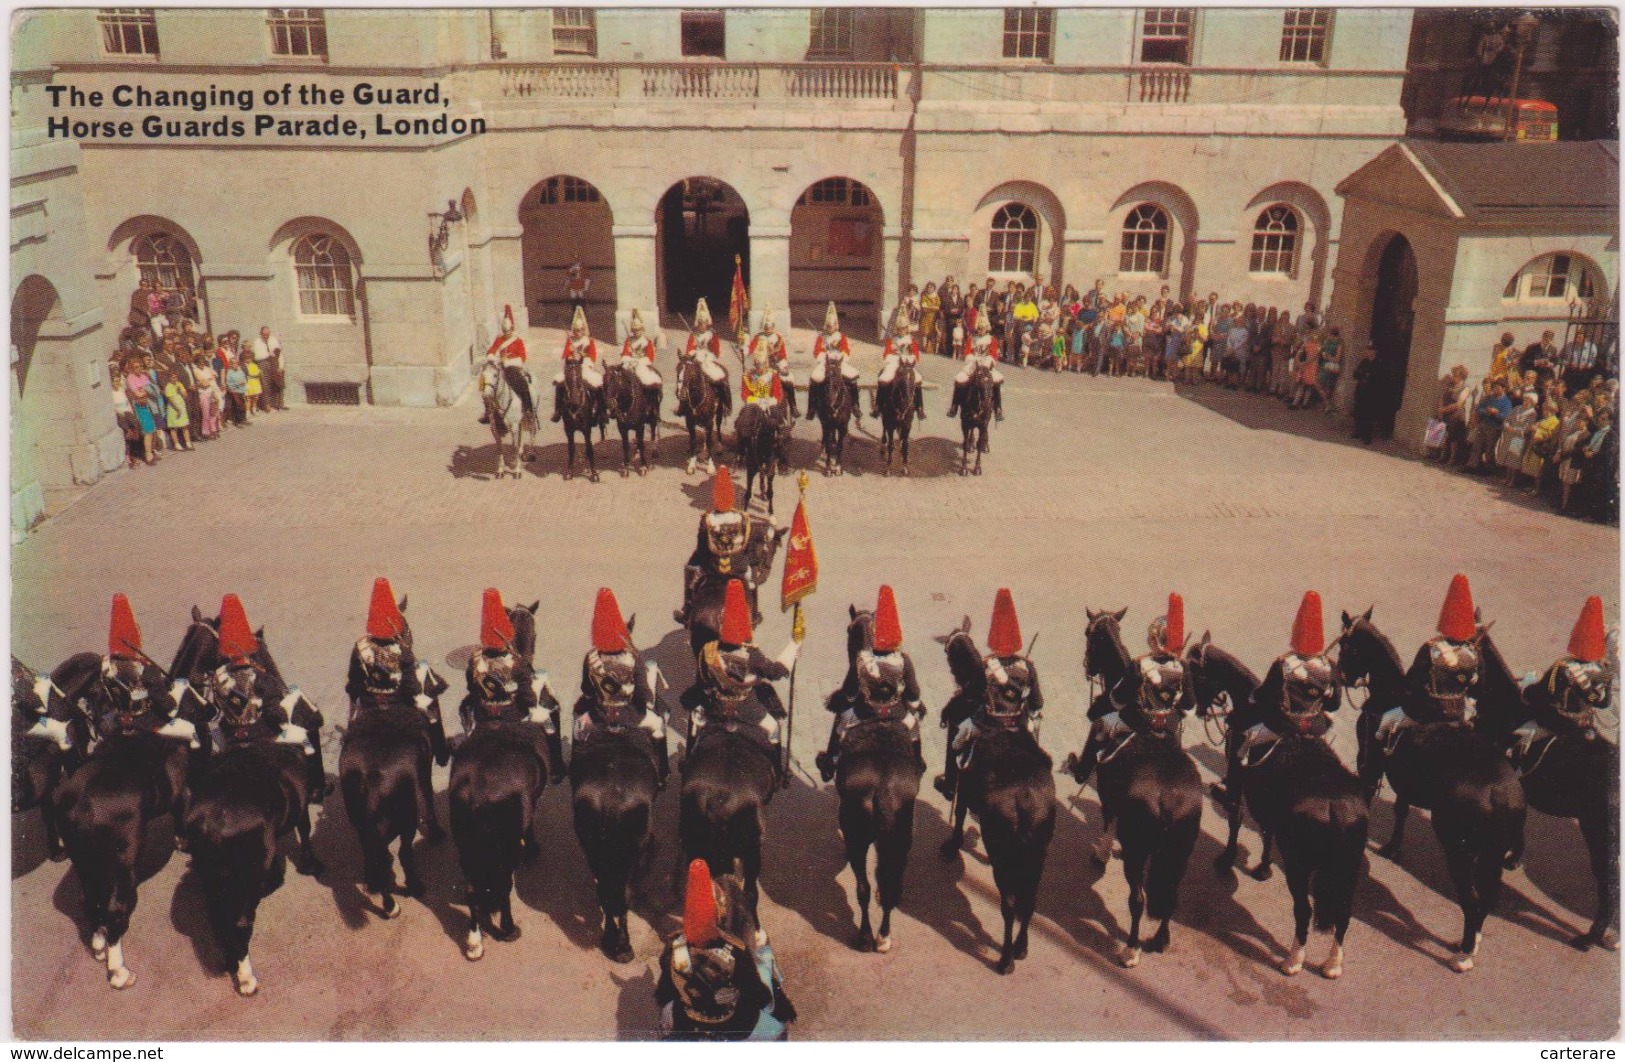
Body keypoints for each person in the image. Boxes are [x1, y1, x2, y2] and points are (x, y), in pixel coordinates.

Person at [1208, 592, 1340, 808]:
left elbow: (1265, 695)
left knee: (1240, 736)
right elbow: (1334, 704)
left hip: (1284, 727)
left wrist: (1252, 697)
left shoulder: (1284, 663)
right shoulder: (1330, 666)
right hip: (1316, 728)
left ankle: (1232, 793)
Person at [1064, 593, 1197, 788]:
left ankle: (1083, 771)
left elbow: (1118, 700)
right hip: (1169, 726)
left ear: (1154, 640)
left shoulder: (1140, 664)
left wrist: (1095, 711)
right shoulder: (1183, 667)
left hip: (1139, 723)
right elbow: (1189, 707)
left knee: (1101, 724)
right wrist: (1169, 713)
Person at [656, 859, 795, 1041]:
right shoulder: (735, 951)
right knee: (777, 1029)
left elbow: (664, 993)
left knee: (665, 1017)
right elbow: (757, 994)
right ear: (719, 913)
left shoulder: (674, 948)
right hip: (735, 1021)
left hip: (687, 1021)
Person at [200, 595, 320, 797]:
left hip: (228, 736)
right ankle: (315, 788)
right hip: (261, 733)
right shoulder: (261, 678)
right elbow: (274, 712)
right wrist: (284, 721)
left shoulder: (217, 678)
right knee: (305, 740)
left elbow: (217, 708)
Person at [935, 589, 1043, 800]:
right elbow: (1037, 703)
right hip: (1019, 725)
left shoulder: (985, 667)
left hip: (988, 724)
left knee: (957, 737)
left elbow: (973, 697)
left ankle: (951, 784)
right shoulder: (1027, 666)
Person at [815, 585, 926, 783]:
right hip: (897, 714)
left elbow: (849, 694)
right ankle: (917, 764)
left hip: (863, 713)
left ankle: (831, 761)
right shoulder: (903, 660)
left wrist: (844, 698)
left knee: (841, 722)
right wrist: (915, 705)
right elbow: (913, 694)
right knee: (914, 728)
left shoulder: (861, 660)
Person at [682, 580, 798, 753]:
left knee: (695, 719)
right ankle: (779, 775)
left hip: (716, 709)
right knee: (774, 728)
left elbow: (704, 682)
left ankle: (688, 759)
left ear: (721, 627)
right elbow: (777, 672)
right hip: (748, 710)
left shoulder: (709, 651)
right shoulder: (752, 656)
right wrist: (794, 645)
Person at [460, 588, 565, 776]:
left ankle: (464, 736)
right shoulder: (517, 662)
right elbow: (528, 699)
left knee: (464, 708)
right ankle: (556, 766)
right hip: (513, 715)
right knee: (550, 711)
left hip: (483, 716)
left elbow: (470, 686)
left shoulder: (475, 660)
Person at [574, 587, 669, 786]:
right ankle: (662, 772)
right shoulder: (634, 657)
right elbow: (643, 692)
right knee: (658, 725)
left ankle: (574, 772)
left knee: (578, 725)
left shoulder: (591, 658)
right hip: (632, 715)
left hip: (599, 716)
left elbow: (587, 690)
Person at [1376, 575, 1483, 746]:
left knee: (1385, 724)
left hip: (1428, 714)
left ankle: (1374, 764)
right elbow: (1478, 689)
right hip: (1460, 714)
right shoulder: (1475, 653)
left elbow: (1411, 685)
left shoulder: (1431, 649)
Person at [91, 594, 197, 748]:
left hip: (118, 726)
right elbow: (167, 705)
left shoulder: (104, 669)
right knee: (191, 731)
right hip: (146, 726)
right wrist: (178, 691)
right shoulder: (147, 670)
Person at [674, 466, 771, 627]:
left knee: (690, 569)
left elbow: (702, 547)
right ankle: (753, 614)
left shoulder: (708, 520)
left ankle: (687, 610)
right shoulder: (743, 519)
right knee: (751, 580)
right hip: (738, 569)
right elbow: (752, 537)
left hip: (713, 570)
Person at [345, 578, 444, 724]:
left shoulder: (360, 648)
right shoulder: (403, 651)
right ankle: (440, 745)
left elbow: (354, 683)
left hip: (369, 706)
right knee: (430, 717)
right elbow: (412, 689)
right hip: (400, 707)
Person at [804, 302, 860, 425]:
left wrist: (839, 356)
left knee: (853, 379)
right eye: (829, 325)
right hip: (825, 363)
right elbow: (817, 352)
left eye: (833, 325)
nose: (831, 327)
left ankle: (855, 405)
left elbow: (846, 350)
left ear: (836, 325)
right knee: (814, 379)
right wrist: (826, 356)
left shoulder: (842, 337)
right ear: (826, 325)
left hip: (839, 362)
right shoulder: (821, 337)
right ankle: (811, 408)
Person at [480, 304, 534, 426]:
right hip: (498, 367)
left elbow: (522, 358)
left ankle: (528, 411)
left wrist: (508, 362)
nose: (506, 333)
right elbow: (491, 352)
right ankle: (487, 412)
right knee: (486, 386)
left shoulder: (518, 341)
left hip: (513, 369)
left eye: (508, 331)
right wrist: (495, 359)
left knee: (523, 385)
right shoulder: (499, 339)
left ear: (512, 329)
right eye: (505, 331)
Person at [553, 306, 607, 428]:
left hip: (585, 365)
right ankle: (558, 410)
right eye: (577, 331)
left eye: (581, 330)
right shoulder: (570, 341)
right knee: (559, 382)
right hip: (572, 366)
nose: (579, 333)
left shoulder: (589, 341)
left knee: (598, 383)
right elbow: (565, 355)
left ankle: (601, 411)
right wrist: (571, 352)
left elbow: (593, 355)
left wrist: (583, 356)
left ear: (584, 330)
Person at [681, 297, 733, 418]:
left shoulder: (712, 334)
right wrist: (692, 352)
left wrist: (708, 353)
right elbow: (689, 348)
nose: (702, 325)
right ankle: (683, 405)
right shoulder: (694, 334)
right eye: (700, 323)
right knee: (685, 377)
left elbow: (716, 350)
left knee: (720, 377)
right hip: (696, 358)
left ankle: (723, 403)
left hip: (708, 358)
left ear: (707, 323)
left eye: (704, 323)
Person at [949, 314, 1005, 421]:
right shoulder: (972, 338)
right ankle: (954, 406)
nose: (980, 330)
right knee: (959, 380)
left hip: (987, 366)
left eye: (982, 328)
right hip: (973, 364)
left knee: (996, 382)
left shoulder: (992, 340)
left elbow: (994, 355)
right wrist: (973, 359)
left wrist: (987, 361)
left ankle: (998, 408)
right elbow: (967, 352)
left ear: (986, 329)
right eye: (979, 328)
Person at [746, 307, 798, 418]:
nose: (767, 329)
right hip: (761, 365)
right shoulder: (758, 337)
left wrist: (781, 363)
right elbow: (751, 350)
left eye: (769, 327)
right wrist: (744, 344)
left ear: (773, 326)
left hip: (776, 365)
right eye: (766, 327)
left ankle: (793, 406)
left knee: (788, 382)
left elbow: (783, 354)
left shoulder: (778, 338)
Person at [874, 312, 926, 421]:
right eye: (899, 328)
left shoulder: (911, 341)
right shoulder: (891, 340)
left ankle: (920, 407)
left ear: (907, 328)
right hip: (894, 363)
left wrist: (909, 358)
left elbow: (916, 355)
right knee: (883, 379)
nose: (901, 330)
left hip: (907, 364)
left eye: (903, 328)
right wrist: (895, 357)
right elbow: (886, 354)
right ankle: (878, 406)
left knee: (918, 380)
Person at [1471, 378, 1513, 473]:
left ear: (1503, 389)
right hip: (1483, 424)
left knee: (1489, 448)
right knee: (1477, 446)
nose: (1495, 389)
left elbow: (1505, 416)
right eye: (1494, 387)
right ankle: (1472, 466)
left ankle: (1489, 469)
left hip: (1494, 427)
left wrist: (1496, 413)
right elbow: (1479, 408)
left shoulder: (1506, 402)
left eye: (1498, 388)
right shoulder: (1489, 398)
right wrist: (1485, 411)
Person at [1498, 390, 1540, 485]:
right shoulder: (1517, 408)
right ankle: (1506, 477)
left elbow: (1528, 427)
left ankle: (1512, 480)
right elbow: (1508, 418)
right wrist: (1507, 425)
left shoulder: (1532, 413)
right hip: (1510, 434)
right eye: (1525, 399)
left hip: (1519, 437)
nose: (1526, 402)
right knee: (1508, 456)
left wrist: (1515, 429)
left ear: (1533, 402)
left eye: (1529, 400)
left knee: (1514, 459)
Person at [125, 358, 161, 464]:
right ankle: (148, 456)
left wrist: (143, 389)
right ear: (131, 368)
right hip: (139, 407)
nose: (139, 368)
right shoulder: (130, 378)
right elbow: (137, 394)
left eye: (140, 366)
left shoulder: (144, 376)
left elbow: (154, 390)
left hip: (149, 405)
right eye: (136, 367)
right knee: (147, 431)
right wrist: (144, 390)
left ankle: (151, 451)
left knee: (153, 429)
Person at [1351, 345, 1381, 444]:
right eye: (1367, 350)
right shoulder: (1364, 362)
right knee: (1358, 411)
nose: (1367, 352)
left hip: (1371, 392)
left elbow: (1375, 377)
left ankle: (1366, 436)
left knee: (1368, 414)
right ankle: (1358, 432)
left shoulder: (1378, 363)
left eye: (1369, 350)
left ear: (1374, 352)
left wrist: (1364, 374)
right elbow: (1355, 374)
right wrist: (1364, 374)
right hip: (1360, 390)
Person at [251, 326, 283, 412]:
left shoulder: (274, 340)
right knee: (265, 385)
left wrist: (281, 366)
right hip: (263, 363)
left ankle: (276, 404)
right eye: (264, 334)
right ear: (261, 334)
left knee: (275, 383)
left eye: (268, 334)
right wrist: (268, 354)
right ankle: (267, 405)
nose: (266, 336)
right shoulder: (257, 342)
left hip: (274, 363)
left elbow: (279, 353)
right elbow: (257, 356)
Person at [161, 371, 193, 452]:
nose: (175, 379)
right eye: (172, 377)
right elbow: (171, 399)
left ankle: (188, 443)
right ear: (169, 378)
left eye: (176, 377)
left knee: (184, 425)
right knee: (174, 427)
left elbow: (185, 395)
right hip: (174, 408)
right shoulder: (168, 387)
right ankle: (176, 444)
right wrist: (177, 409)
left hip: (181, 406)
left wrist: (182, 390)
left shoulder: (179, 384)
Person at [919, 282, 941, 357]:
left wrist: (929, 307)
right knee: (925, 332)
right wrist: (933, 307)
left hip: (934, 317)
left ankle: (933, 349)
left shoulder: (936, 296)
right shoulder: (924, 296)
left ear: (934, 288)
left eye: (931, 287)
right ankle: (924, 348)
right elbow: (924, 307)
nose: (929, 289)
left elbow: (938, 307)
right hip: (926, 317)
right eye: (928, 287)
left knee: (932, 333)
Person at [242, 345, 263, 422]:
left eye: (250, 358)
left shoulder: (254, 365)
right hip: (248, 384)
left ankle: (254, 409)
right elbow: (245, 375)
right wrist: (251, 375)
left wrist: (251, 375)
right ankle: (247, 411)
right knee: (248, 398)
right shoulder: (243, 366)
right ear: (244, 358)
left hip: (255, 384)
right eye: (246, 358)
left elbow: (257, 374)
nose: (248, 359)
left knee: (255, 397)